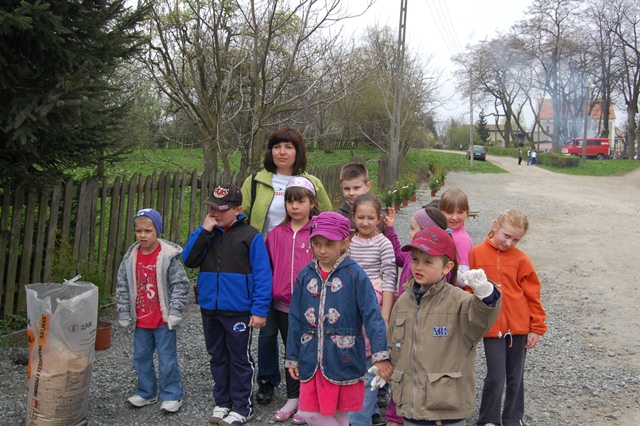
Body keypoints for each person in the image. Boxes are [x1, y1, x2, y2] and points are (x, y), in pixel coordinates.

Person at [241, 126, 332, 405]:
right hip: (265, 264)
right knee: (266, 330)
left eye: (289, 147)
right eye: (277, 146)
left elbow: (328, 220)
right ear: (270, 151)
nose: (282, 152)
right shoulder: (256, 181)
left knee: (302, 329)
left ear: (298, 152)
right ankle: (268, 380)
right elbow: (240, 218)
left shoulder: (311, 182)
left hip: (304, 268)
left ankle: (305, 380)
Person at [285, 212, 393, 426]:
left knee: (343, 414)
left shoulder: (355, 275)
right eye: (316, 244)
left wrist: (381, 355)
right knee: (308, 412)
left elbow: (373, 317)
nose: (322, 250)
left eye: (329, 244)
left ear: (344, 242)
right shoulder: (305, 275)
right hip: (311, 359)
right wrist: (292, 357)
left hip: (344, 358)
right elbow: (296, 318)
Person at [388, 227, 502, 426]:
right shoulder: (403, 301)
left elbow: (481, 319)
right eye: (415, 259)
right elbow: (395, 344)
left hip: (445, 410)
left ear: (447, 267)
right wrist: (387, 366)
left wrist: (486, 294)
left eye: (428, 261)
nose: (418, 267)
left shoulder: (459, 301)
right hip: (410, 409)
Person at [182, 183, 272, 425]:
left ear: (238, 209)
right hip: (210, 308)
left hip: (238, 311)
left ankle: (243, 406)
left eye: (221, 209)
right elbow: (189, 260)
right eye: (211, 208)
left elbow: (263, 276)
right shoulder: (205, 232)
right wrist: (204, 231)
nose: (215, 213)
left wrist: (259, 309)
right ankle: (222, 402)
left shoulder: (250, 236)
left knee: (239, 358)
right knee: (217, 356)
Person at [470, 209, 548, 426]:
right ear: (495, 226)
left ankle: (513, 418)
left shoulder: (521, 259)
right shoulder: (476, 253)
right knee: (496, 376)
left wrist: (537, 327)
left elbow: (533, 294)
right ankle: (488, 419)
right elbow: (470, 288)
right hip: (492, 327)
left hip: (519, 328)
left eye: (516, 239)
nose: (509, 242)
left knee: (516, 377)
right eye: (506, 235)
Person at [116, 208, 190, 414]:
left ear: (157, 230)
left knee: (167, 359)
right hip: (141, 320)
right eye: (138, 231)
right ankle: (147, 392)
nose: (143, 235)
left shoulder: (168, 257)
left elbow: (180, 285)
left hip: (162, 320)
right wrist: (124, 312)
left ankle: (172, 394)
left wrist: (175, 311)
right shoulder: (130, 257)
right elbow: (122, 285)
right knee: (140, 357)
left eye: (148, 231)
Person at [265, 177, 320, 425]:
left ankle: (311, 400)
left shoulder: (318, 234)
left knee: (311, 351)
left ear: (312, 203)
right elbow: (266, 268)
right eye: (290, 201)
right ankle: (292, 397)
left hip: (312, 305)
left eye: (300, 201)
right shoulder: (276, 234)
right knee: (291, 351)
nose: (295, 206)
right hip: (282, 306)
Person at [347, 194, 397, 426]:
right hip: (350, 305)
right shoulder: (348, 243)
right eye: (360, 217)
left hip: (375, 305)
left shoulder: (383, 243)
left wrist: (384, 315)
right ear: (353, 217)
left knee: (370, 360)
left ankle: (360, 418)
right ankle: (367, 408)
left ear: (379, 218)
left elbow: (389, 279)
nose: (365, 222)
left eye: (371, 218)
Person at [438, 189, 473, 288]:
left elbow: (463, 279)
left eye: (460, 212)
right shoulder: (441, 231)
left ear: (467, 213)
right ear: (440, 211)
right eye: (449, 212)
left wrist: (438, 270)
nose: (454, 217)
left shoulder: (462, 240)